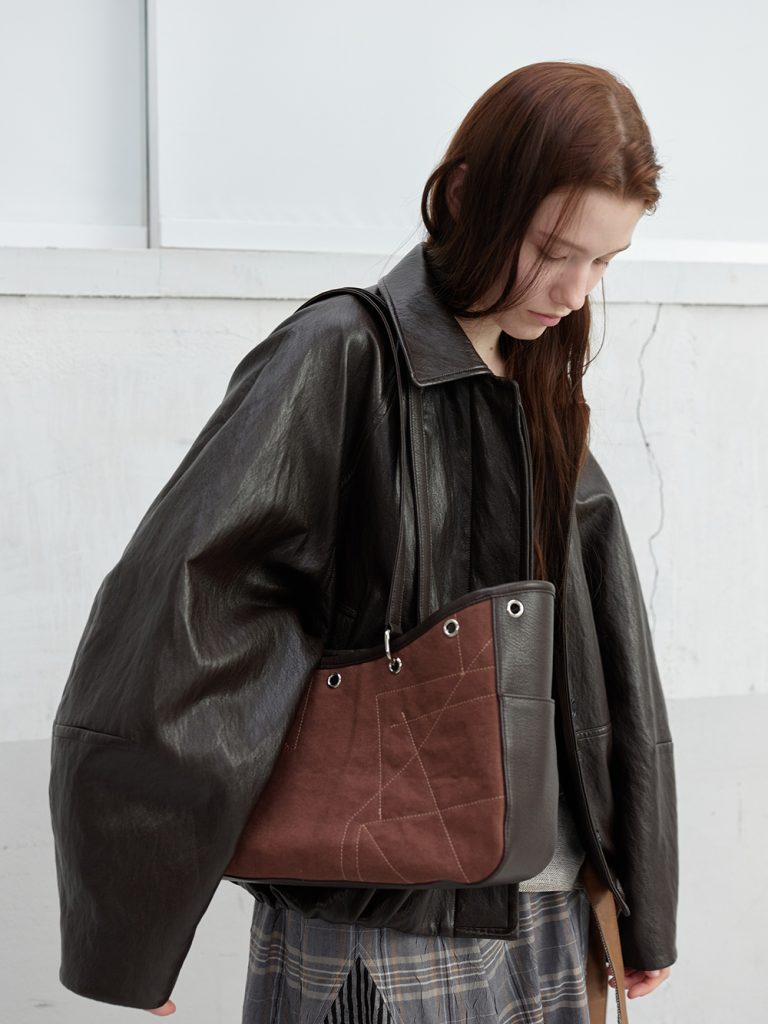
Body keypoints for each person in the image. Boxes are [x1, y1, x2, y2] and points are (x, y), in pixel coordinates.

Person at [49, 61, 678, 1023]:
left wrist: (640, 895)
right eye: (554, 247)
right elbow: (180, 609)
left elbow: (607, 648)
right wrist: (135, 918)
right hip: (392, 929)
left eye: (603, 262)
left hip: (550, 914)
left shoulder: (537, 383)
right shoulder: (343, 353)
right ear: (468, 195)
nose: (574, 289)